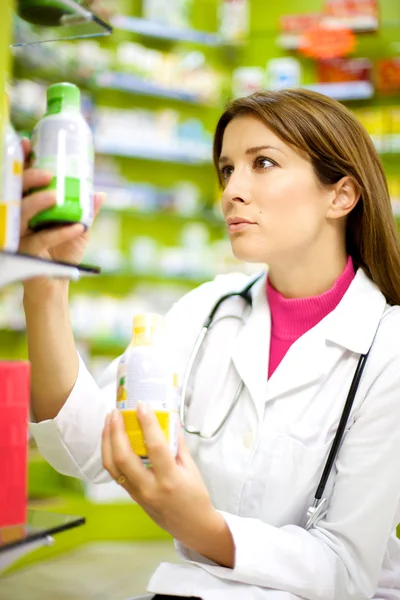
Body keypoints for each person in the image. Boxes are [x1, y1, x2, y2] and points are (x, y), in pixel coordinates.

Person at [21, 89, 400, 600]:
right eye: (226, 170)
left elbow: (345, 571)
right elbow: (84, 448)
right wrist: (46, 280)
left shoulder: (387, 346)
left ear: (341, 195)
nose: (231, 192)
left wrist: (201, 526)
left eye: (262, 163)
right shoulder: (210, 310)